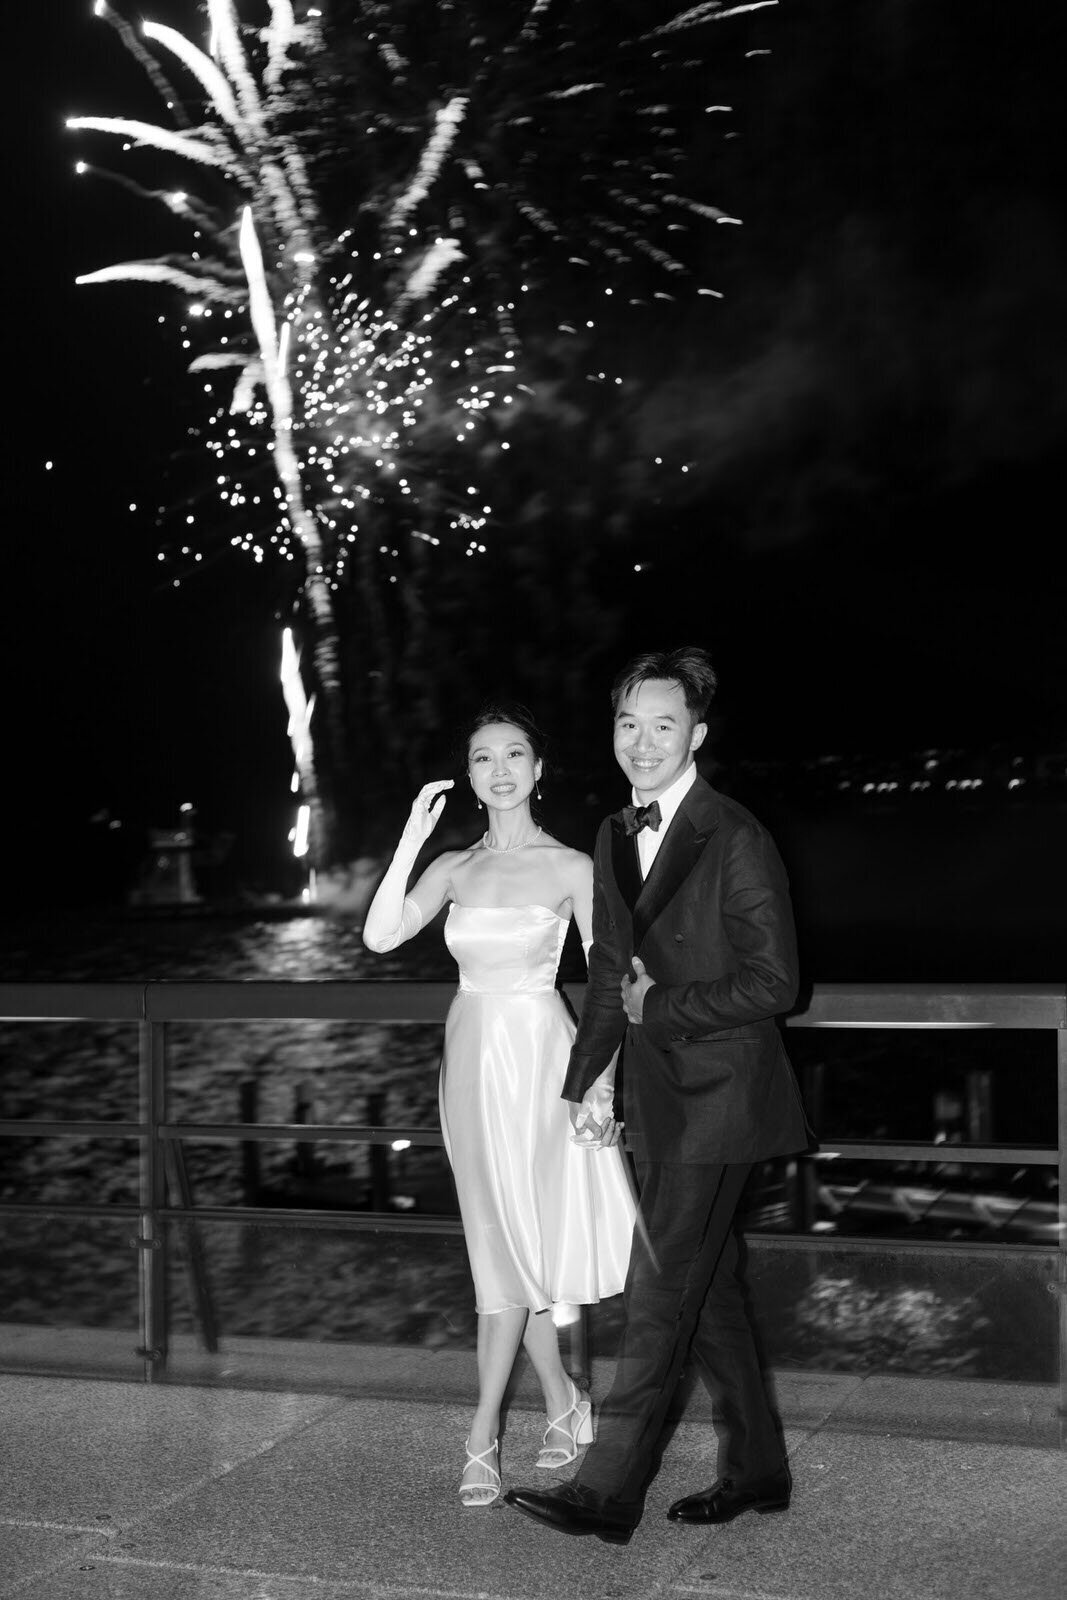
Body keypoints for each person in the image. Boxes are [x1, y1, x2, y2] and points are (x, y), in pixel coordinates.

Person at [505, 647, 812, 1544]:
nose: (642, 742)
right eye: (627, 724)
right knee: (706, 1292)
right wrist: (582, 1082)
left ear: (697, 735)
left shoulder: (736, 834)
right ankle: (758, 1472)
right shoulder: (610, 832)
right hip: (658, 1101)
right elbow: (607, 969)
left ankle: (606, 1493)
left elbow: (775, 982)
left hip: (723, 1101)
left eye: (663, 725)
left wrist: (661, 1007)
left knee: (656, 1291)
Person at [362, 704, 636, 1510]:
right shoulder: (453, 867)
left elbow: (611, 986)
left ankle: (481, 1431)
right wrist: (413, 834)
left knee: (512, 1245)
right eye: (484, 758)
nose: (501, 769)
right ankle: (563, 1401)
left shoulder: (570, 867)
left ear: (539, 768)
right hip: (471, 1064)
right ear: (470, 776)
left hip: (544, 1064)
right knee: (500, 1240)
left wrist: (601, 1082)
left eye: (515, 753)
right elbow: (380, 937)